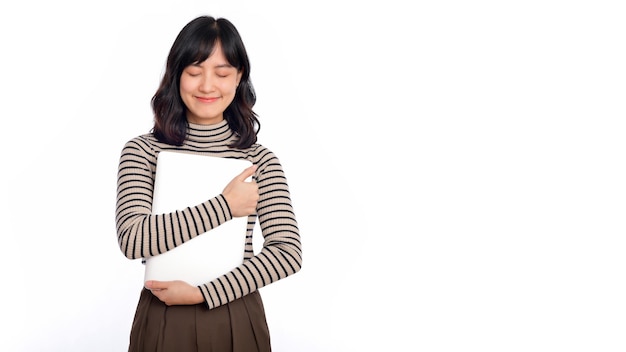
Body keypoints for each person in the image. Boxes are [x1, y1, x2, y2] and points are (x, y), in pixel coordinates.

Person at [115, 15, 302, 352]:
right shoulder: (143, 151)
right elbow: (133, 240)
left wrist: (204, 293)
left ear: (239, 76)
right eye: (194, 71)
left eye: (222, 73)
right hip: (162, 316)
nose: (207, 86)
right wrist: (225, 206)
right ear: (176, 75)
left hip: (236, 314)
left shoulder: (260, 160)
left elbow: (287, 253)